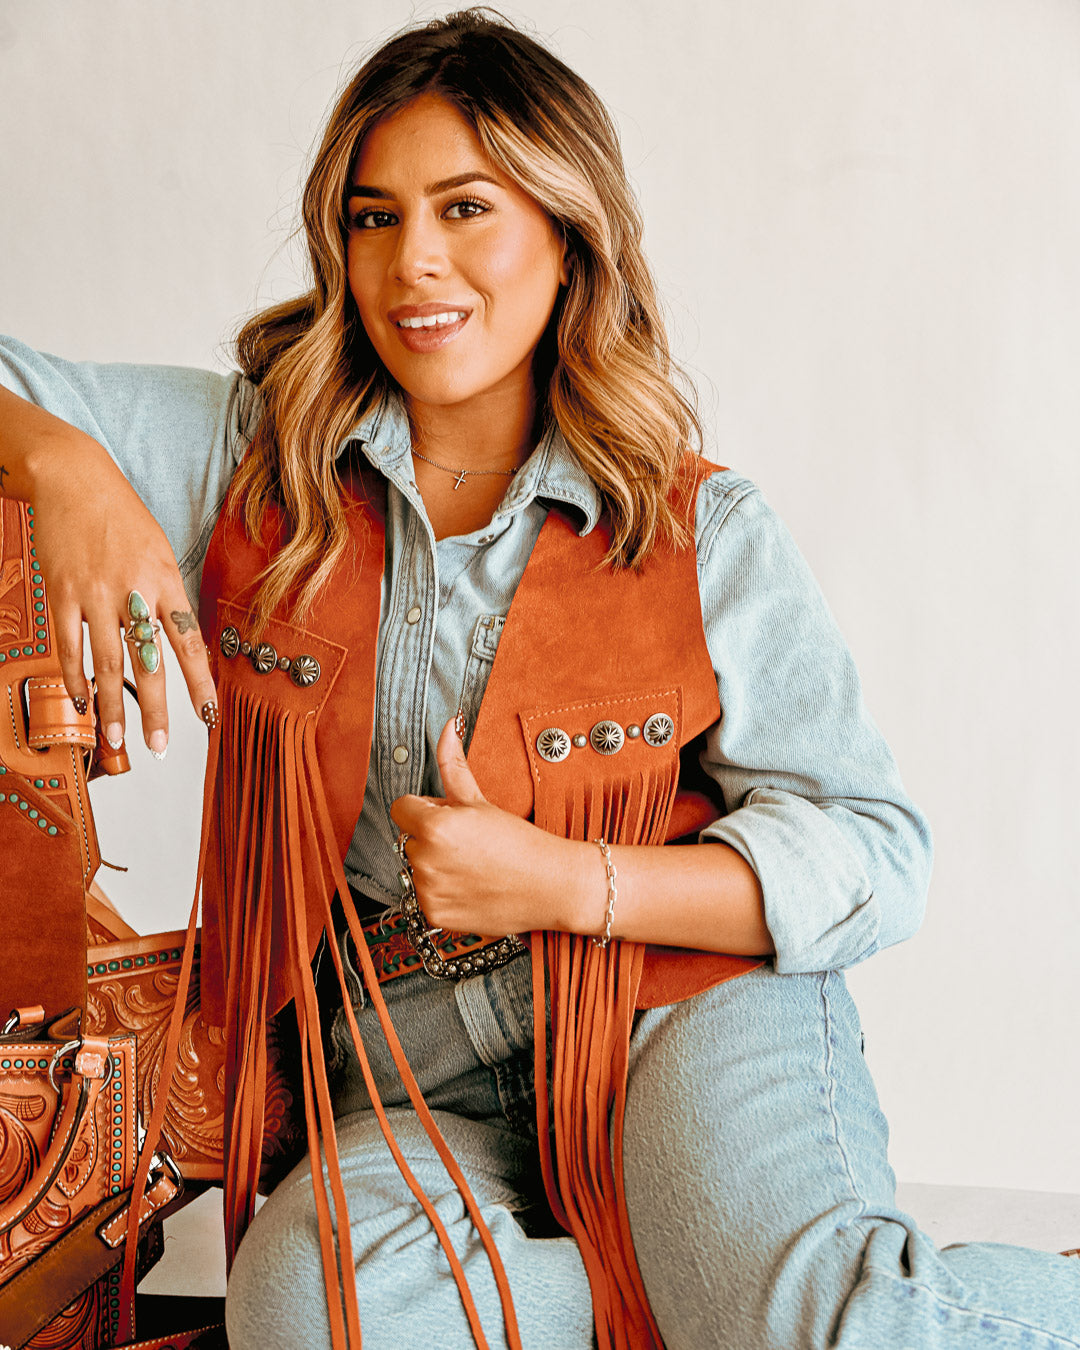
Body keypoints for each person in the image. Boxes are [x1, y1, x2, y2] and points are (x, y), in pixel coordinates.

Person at [1, 10, 1078, 1348]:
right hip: (408, 1059)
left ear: (567, 233)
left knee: (832, 1327)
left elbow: (877, 849)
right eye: (376, 217)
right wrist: (61, 464)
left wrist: (568, 882)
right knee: (316, 1314)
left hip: (675, 1005)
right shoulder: (254, 463)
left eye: (466, 208)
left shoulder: (697, 528)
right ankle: (694, 1302)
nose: (415, 260)